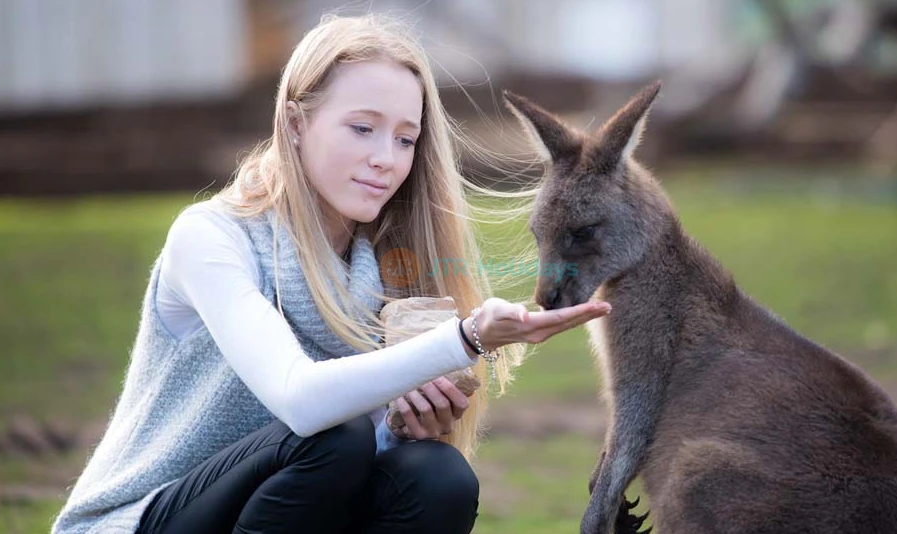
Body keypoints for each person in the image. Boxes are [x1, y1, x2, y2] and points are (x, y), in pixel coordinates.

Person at [50, 11, 610, 534]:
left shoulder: (390, 270)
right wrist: (465, 339)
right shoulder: (211, 237)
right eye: (362, 128)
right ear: (296, 123)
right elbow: (302, 402)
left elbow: (325, 469)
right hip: (147, 517)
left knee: (437, 477)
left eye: (405, 138)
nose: (386, 159)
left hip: (277, 505)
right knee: (333, 438)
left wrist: (396, 429)